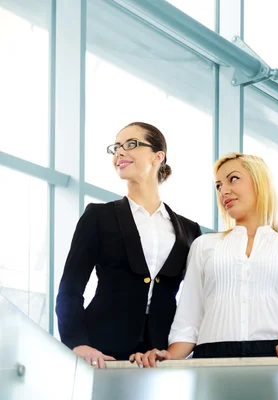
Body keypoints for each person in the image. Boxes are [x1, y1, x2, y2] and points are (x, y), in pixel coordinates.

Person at [131, 153, 278, 367]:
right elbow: (189, 317)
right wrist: (170, 356)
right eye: (218, 186)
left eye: (233, 179)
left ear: (260, 182)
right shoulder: (204, 246)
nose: (224, 191)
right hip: (210, 356)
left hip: (275, 357)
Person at [55, 122, 202, 368]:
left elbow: (195, 300)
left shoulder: (189, 230)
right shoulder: (98, 216)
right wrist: (77, 343)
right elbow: (70, 287)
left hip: (159, 353)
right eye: (116, 148)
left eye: (131, 144)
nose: (120, 153)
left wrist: (176, 349)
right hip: (101, 350)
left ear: (158, 157)